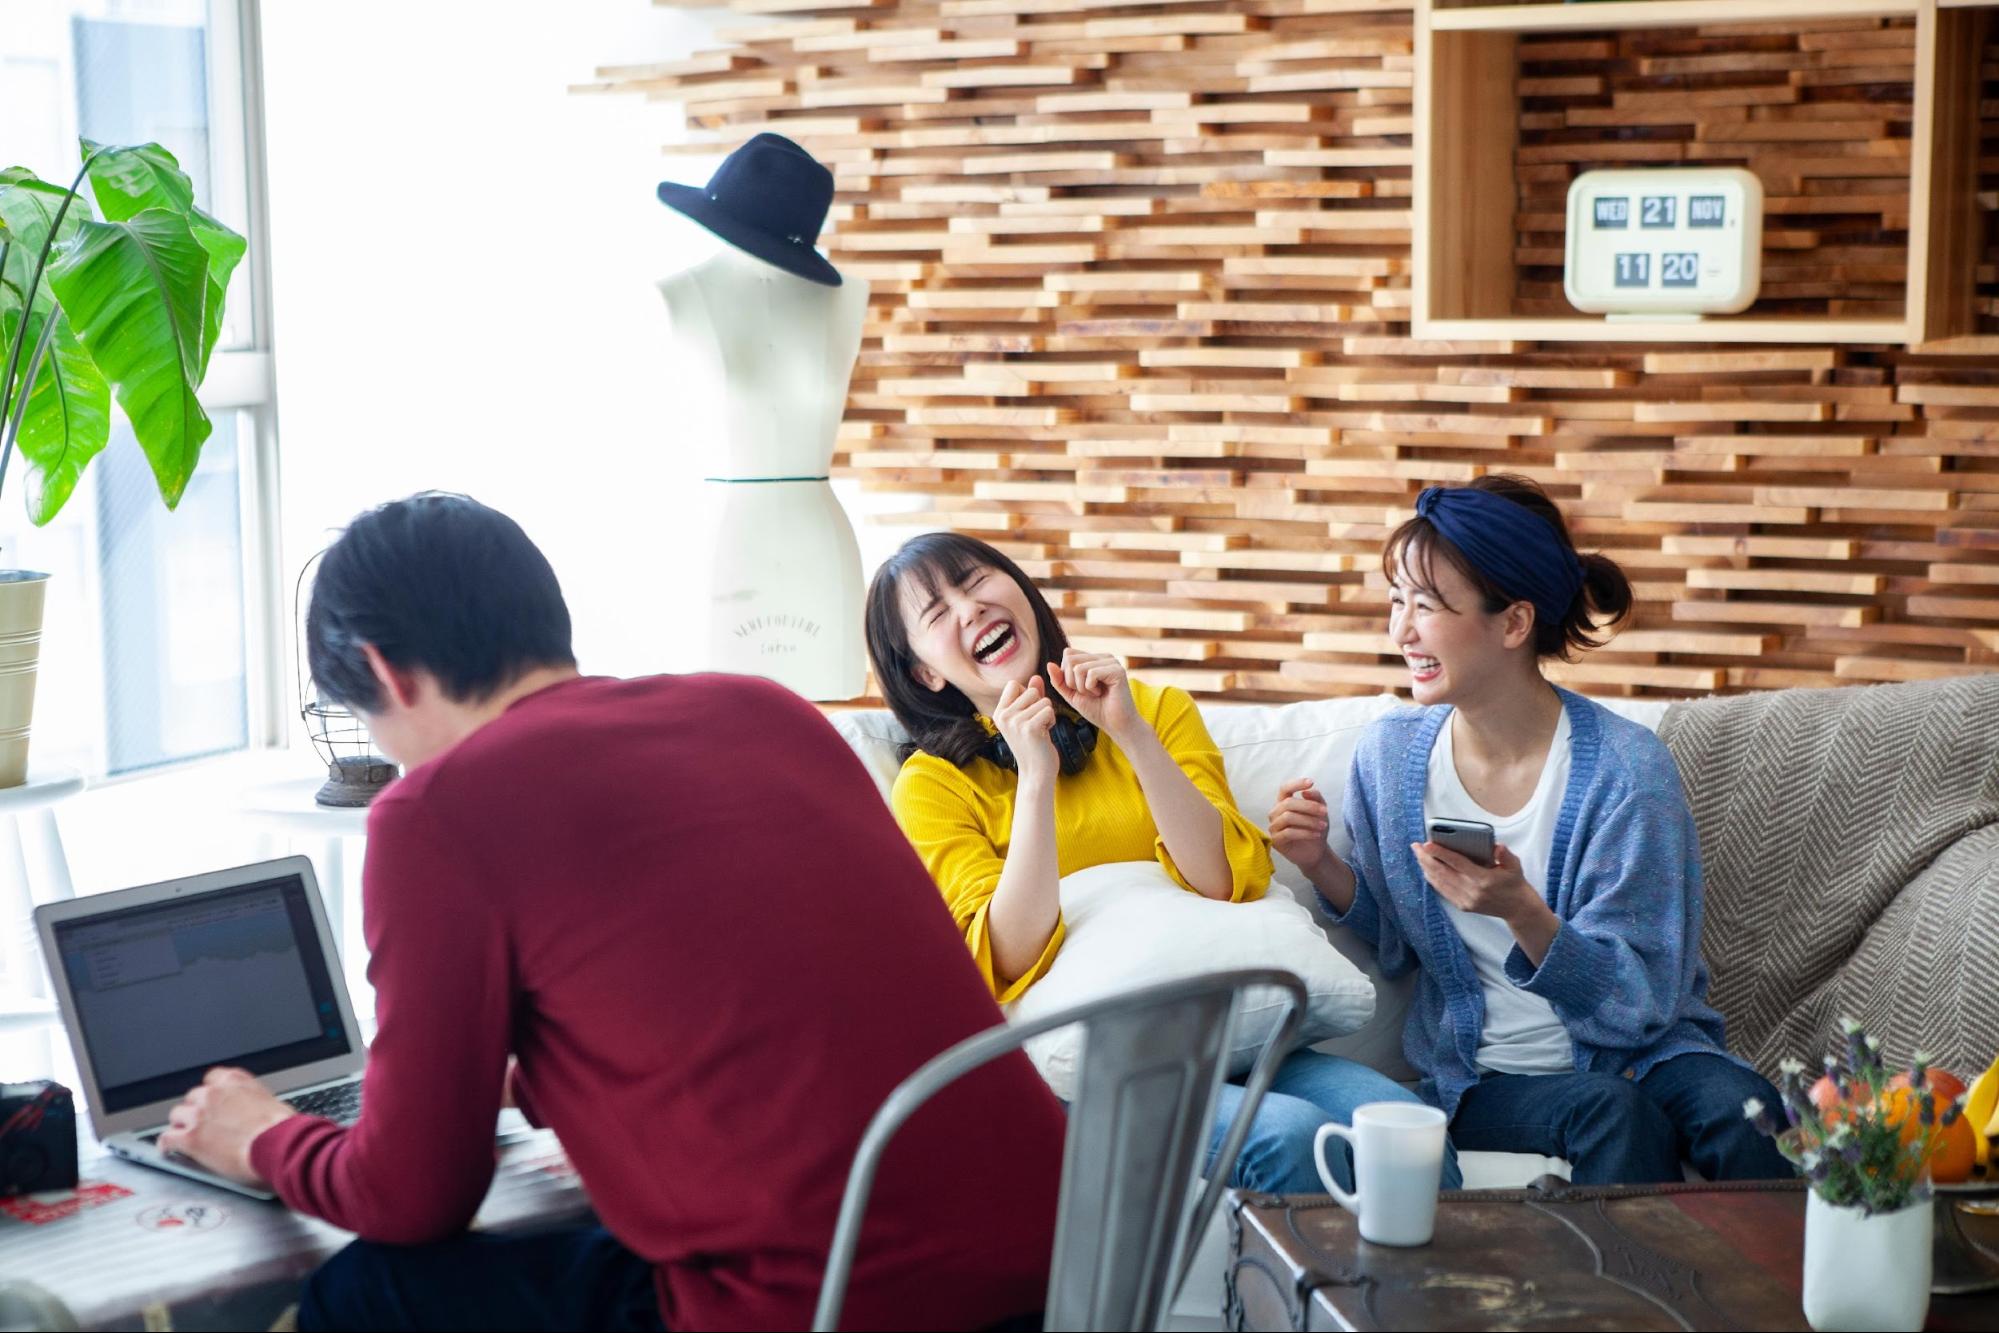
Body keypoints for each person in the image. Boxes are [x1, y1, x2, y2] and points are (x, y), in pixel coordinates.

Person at [158, 494, 1065, 1332]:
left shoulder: (435, 811)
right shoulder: (762, 709)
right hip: (1066, 1265)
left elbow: (412, 1196)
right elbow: (782, 995)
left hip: (832, 1307)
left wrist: (267, 1136)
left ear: (383, 674)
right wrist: (554, 1076)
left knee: (367, 1289)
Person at [863, 531, 1460, 1195]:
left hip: (1240, 1038)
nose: (968, 609)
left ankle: (1417, 1303)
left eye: (975, 582)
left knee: (1411, 1132)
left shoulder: (1152, 710)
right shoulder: (933, 783)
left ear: (1020, 591)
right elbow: (1006, 954)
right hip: (1090, 1072)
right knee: (1287, 1138)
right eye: (937, 613)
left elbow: (1221, 878)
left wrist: (1130, 734)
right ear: (926, 673)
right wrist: (1034, 775)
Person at [1268, 475, 1790, 1184]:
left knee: (1751, 1113)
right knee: (1609, 1112)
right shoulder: (1390, 760)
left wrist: (1524, 914)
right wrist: (1318, 860)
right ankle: (1618, 1301)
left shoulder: (1625, 771)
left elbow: (1640, 1003)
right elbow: (1391, 942)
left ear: (1513, 623)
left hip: (1645, 1051)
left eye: (1426, 604)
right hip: (1485, 1079)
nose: (1401, 630)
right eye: (1396, 601)